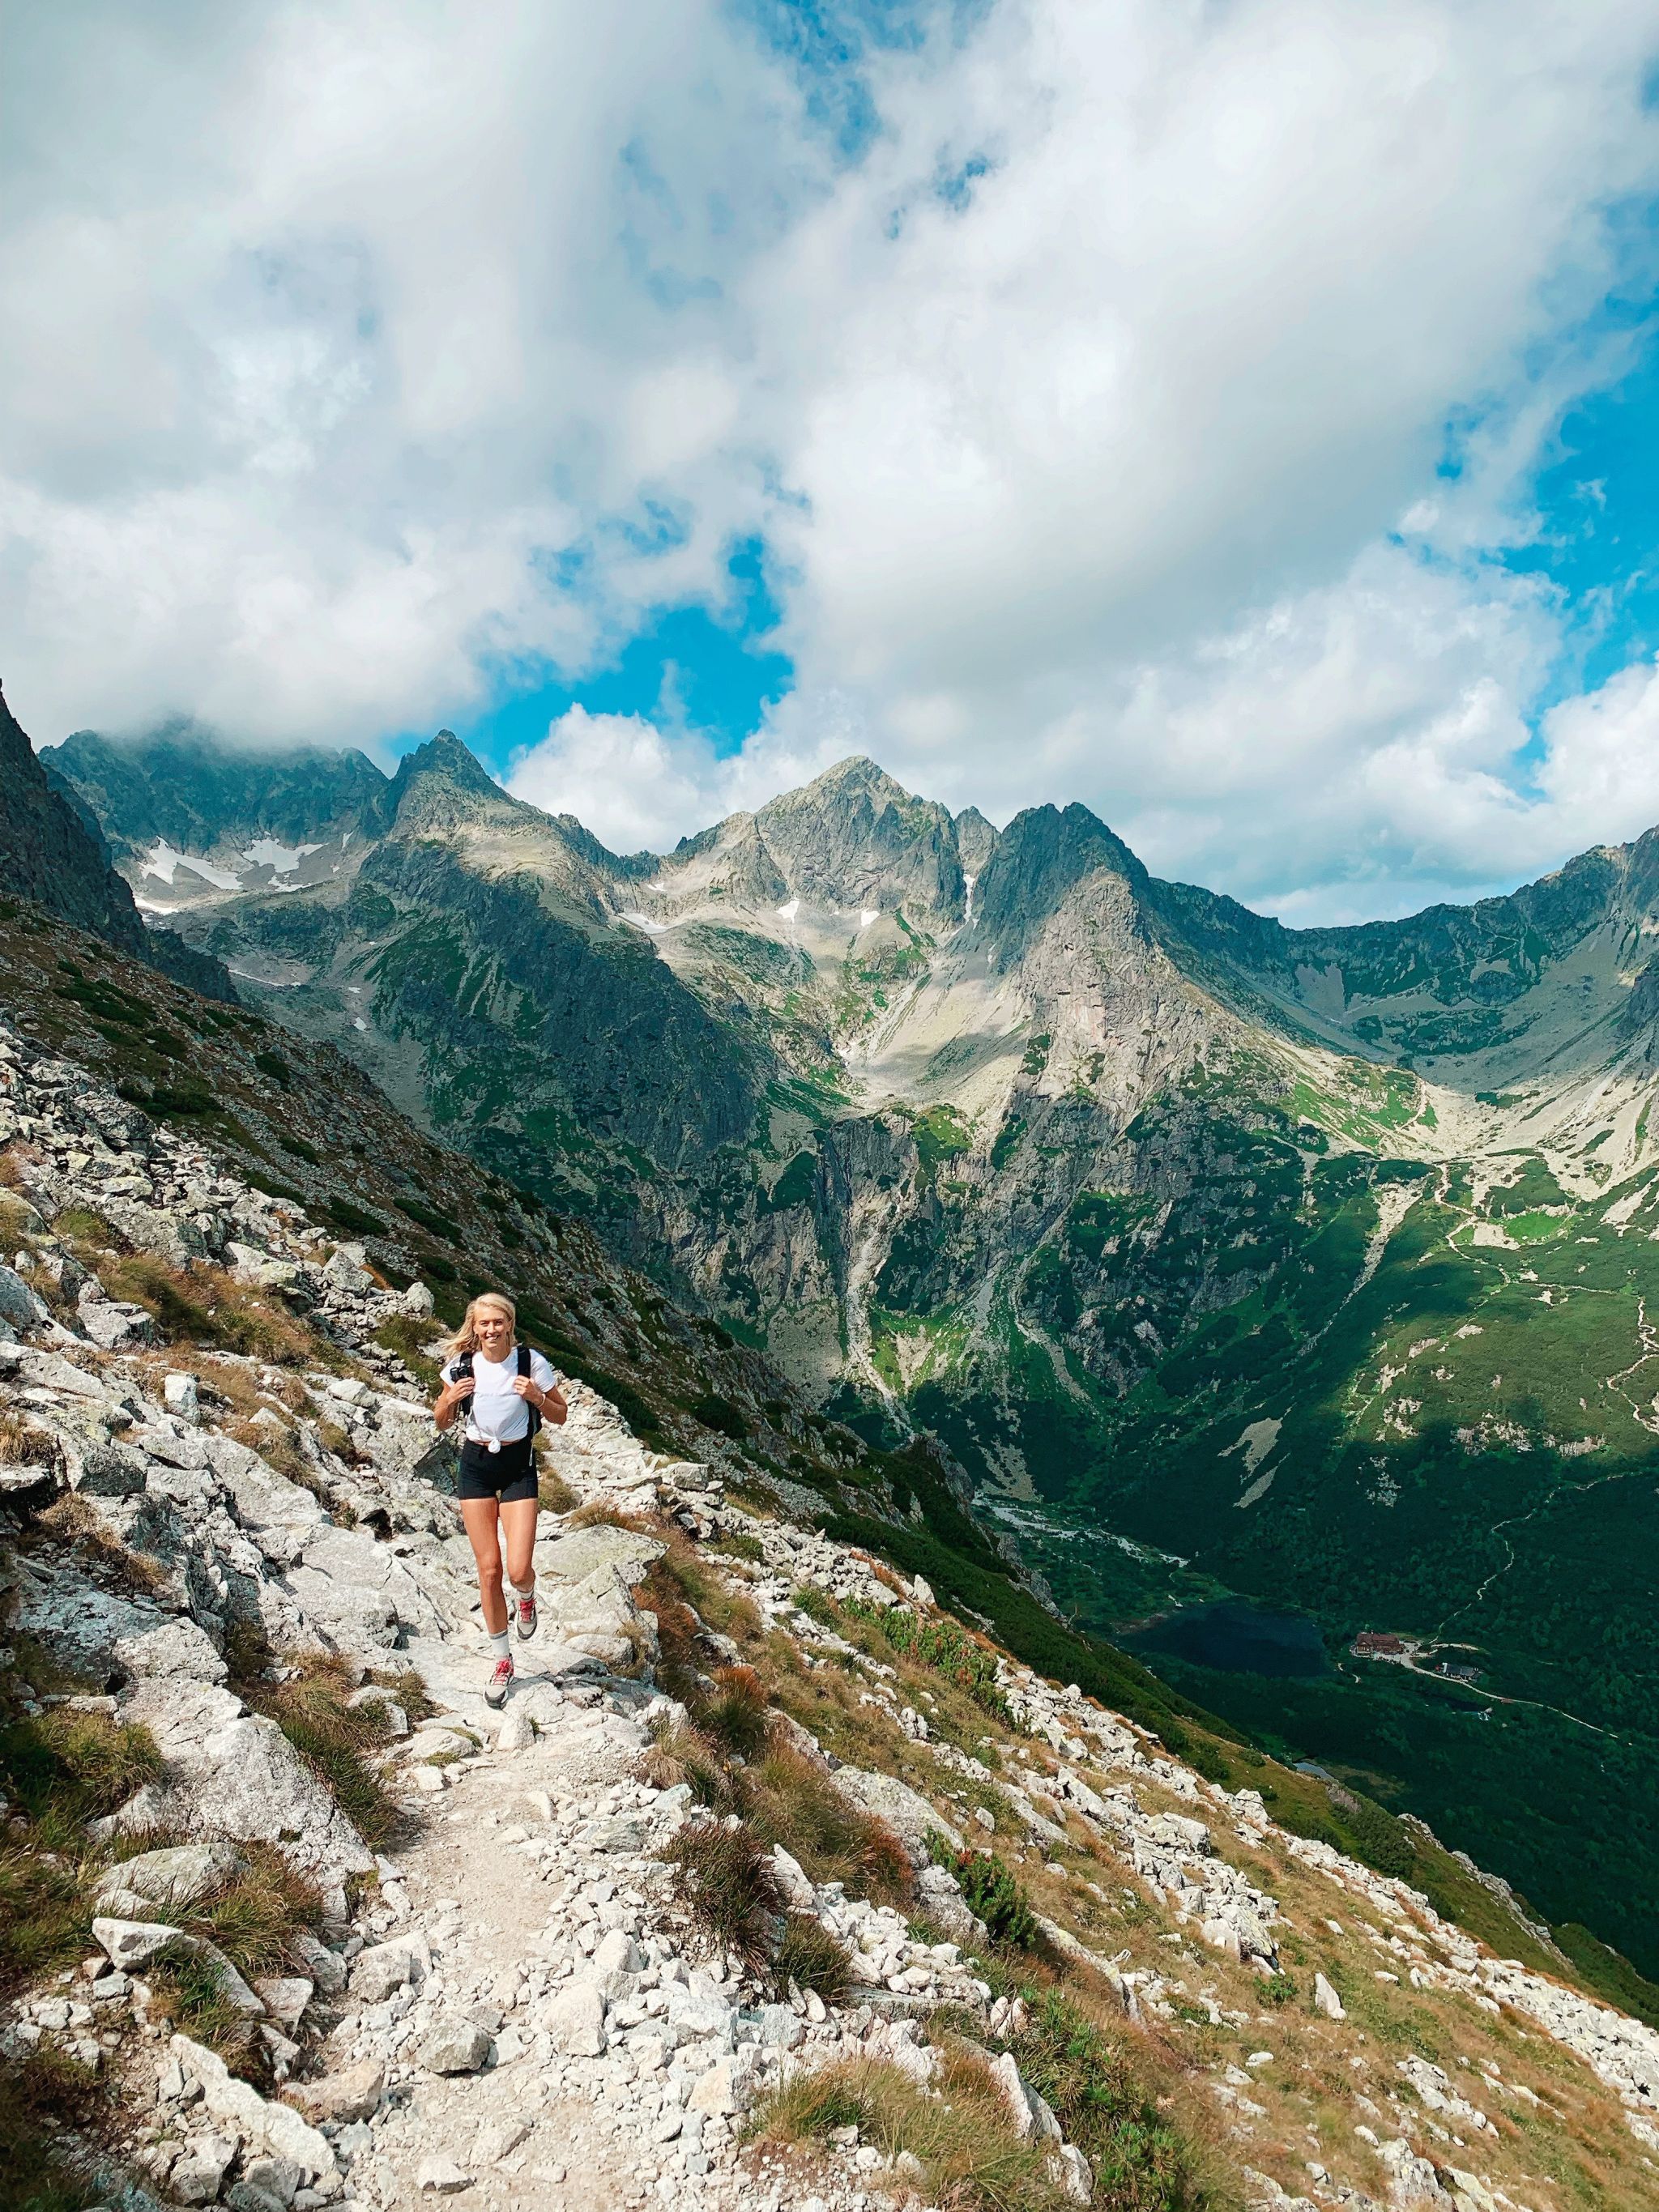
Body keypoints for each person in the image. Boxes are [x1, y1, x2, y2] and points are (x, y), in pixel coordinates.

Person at [433, 1292, 567, 1708]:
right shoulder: (459, 1367)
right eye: (483, 1324)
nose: (490, 1330)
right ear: (473, 1327)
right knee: (489, 1570)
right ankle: (502, 1661)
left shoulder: (530, 1363)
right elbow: (441, 1422)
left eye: (498, 1322)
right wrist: (448, 1400)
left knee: (518, 1568)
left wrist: (537, 1398)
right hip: (474, 1464)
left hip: (517, 1464)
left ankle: (526, 1599)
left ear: (510, 1324)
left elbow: (560, 1415)